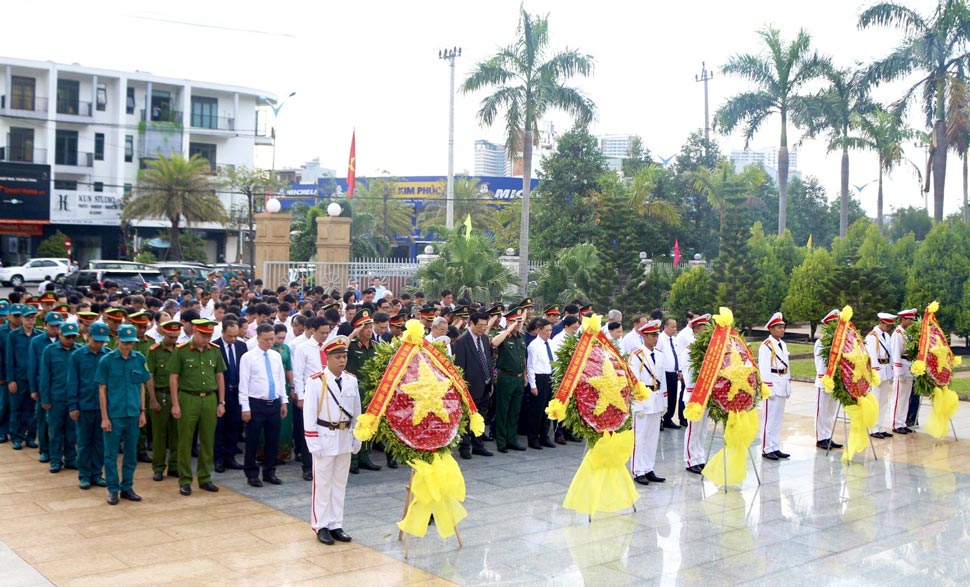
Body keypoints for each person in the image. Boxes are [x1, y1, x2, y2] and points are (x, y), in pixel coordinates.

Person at [303, 336, 360, 545]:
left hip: (344, 436)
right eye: (338, 357)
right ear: (327, 358)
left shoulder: (351, 380)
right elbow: (309, 414)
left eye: (344, 357)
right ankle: (321, 525)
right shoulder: (316, 381)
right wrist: (313, 441)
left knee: (339, 484)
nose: (342, 361)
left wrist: (357, 436)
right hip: (325, 436)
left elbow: (356, 411)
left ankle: (336, 523)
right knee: (323, 484)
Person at [95, 324, 152, 505]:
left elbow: (141, 385)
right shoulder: (107, 360)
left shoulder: (139, 358)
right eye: (125, 342)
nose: (128, 346)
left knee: (131, 453)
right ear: (117, 339)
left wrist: (142, 412)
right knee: (111, 455)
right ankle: (113, 489)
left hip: (133, 413)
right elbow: (102, 390)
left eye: (131, 343)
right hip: (114, 414)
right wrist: (104, 417)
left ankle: (127, 486)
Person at [170, 319, 227, 496]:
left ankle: (204, 477)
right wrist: (175, 404)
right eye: (203, 335)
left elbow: (219, 376)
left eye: (209, 335)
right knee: (185, 441)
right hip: (188, 398)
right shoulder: (182, 350)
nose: (206, 338)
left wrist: (221, 402)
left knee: (208, 440)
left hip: (209, 398)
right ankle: (185, 479)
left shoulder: (214, 351)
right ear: (195, 331)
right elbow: (174, 378)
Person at [239, 323, 288, 487]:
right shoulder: (248, 357)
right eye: (266, 339)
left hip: (273, 403)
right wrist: (245, 407)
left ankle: (269, 471)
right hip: (256, 403)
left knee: (272, 440)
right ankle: (252, 473)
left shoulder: (275, 356)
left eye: (271, 339)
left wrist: (284, 401)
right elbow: (244, 384)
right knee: (252, 440)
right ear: (258, 337)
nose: (269, 342)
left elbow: (281, 380)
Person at [67, 322, 110, 490]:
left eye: (102, 341)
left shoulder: (107, 355)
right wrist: (73, 405)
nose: (99, 344)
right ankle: (84, 475)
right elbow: (72, 382)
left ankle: (96, 473)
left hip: (103, 408)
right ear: (88, 336)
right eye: (96, 340)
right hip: (84, 405)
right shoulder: (77, 356)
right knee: (84, 442)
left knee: (100, 443)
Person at [40, 321, 82, 472]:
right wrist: (45, 399)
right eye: (68, 337)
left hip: (73, 399)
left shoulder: (79, 351)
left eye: (73, 337)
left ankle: (70, 458)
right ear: (60, 335)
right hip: (56, 397)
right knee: (55, 430)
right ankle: (56, 460)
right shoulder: (50, 351)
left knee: (72, 431)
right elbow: (45, 376)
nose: (71, 340)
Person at [629, 319, 666, 485]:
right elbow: (633, 380)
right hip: (643, 399)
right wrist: (637, 405)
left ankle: (648, 468)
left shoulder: (659, 354)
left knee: (653, 437)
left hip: (656, 398)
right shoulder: (636, 355)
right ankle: (638, 470)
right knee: (640, 437)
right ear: (644, 335)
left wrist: (664, 401)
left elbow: (662, 378)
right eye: (652, 335)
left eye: (656, 335)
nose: (655, 338)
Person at [453, 311, 494, 459]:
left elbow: (487, 359)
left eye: (485, 325)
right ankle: (464, 447)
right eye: (480, 326)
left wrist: (491, 382)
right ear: (471, 323)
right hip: (470, 387)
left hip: (485, 385)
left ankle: (478, 445)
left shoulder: (484, 338)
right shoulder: (462, 341)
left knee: (481, 416)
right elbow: (459, 367)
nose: (483, 328)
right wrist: (463, 388)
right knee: (467, 417)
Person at [146, 320, 183, 481]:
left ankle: (174, 466)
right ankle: (159, 467)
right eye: (170, 336)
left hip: (178, 396)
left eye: (176, 336)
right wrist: (153, 399)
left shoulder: (181, 350)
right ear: (163, 333)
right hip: (160, 395)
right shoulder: (154, 351)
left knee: (177, 434)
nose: (173, 339)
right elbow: (150, 377)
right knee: (159, 435)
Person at [345, 310, 380, 473]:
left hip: (370, 393)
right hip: (354, 392)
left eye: (370, 327)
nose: (369, 330)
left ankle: (365, 455)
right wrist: (353, 334)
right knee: (355, 424)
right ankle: (353, 458)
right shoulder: (351, 346)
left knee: (369, 423)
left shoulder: (375, 347)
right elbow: (339, 349)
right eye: (365, 327)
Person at [491, 307, 527, 453]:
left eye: (519, 321)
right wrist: (509, 328)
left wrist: (525, 375)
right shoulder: (503, 336)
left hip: (518, 378)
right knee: (503, 410)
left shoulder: (521, 337)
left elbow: (523, 358)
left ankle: (512, 439)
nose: (518, 324)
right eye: (515, 321)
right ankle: (501, 441)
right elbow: (494, 343)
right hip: (506, 377)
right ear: (508, 321)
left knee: (515, 411)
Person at [30, 311, 63, 463]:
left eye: (58, 326)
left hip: (60, 387)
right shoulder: (37, 342)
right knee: (43, 419)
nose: (55, 329)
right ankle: (44, 450)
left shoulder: (64, 340)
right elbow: (33, 367)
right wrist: (34, 389)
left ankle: (61, 452)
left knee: (60, 423)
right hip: (43, 386)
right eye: (52, 326)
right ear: (45, 325)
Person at [7, 304, 41, 450]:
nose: (30, 320)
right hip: (19, 379)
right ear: (21, 318)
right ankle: (16, 437)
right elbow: (9, 359)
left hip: (34, 380)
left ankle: (30, 437)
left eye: (32, 318)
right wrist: (11, 379)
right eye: (27, 317)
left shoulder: (39, 336)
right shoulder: (13, 336)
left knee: (32, 410)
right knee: (17, 409)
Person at [214, 319, 247, 472]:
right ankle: (219, 458)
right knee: (219, 426)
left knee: (234, 425)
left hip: (236, 392)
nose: (233, 339)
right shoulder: (214, 346)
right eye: (229, 336)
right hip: (219, 393)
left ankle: (230, 456)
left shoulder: (241, 345)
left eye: (235, 336)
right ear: (222, 332)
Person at [759, 312, 791, 461]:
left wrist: (788, 383)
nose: (782, 330)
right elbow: (764, 368)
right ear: (771, 329)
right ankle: (766, 448)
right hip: (772, 384)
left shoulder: (782, 344)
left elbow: (786, 365)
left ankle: (775, 446)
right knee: (769, 418)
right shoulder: (766, 346)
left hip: (782, 383)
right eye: (779, 327)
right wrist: (767, 387)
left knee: (778, 418)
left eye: (783, 327)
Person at [682, 313, 711, 474]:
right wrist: (696, 392)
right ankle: (690, 460)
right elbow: (688, 373)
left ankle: (699, 457)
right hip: (695, 395)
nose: (706, 330)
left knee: (703, 429)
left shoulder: (709, 348)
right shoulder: (690, 349)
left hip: (705, 394)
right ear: (696, 330)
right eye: (703, 328)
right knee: (693, 429)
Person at [525, 318, 556, 450]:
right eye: (546, 330)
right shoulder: (533, 346)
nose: (549, 333)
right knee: (536, 411)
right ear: (538, 330)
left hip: (550, 377)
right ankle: (533, 438)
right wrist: (533, 385)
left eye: (550, 330)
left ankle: (544, 436)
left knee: (548, 410)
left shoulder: (551, 343)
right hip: (539, 378)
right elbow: (530, 366)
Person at [814, 310, 843, 450]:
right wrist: (825, 378)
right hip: (824, 380)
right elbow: (820, 364)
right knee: (822, 410)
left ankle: (828, 435)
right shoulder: (822, 342)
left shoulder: (839, 342)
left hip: (835, 381)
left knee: (831, 411)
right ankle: (820, 438)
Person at [868, 312, 898, 438]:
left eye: (890, 326)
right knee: (875, 400)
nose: (888, 328)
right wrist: (875, 373)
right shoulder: (872, 336)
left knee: (884, 401)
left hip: (886, 369)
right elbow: (872, 356)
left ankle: (880, 426)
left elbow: (890, 354)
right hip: (878, 370)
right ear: (881, 322)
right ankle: (873, 428)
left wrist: (891, 370)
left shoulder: (886, 335)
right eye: (887, 325)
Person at [892, 308, 919, 433]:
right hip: (902, 365)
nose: (912, 322)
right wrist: (899, 372)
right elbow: (896, 353)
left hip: (909, 366)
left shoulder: (909, 333)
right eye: (910, 320)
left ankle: (902, 422)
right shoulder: (897, 333)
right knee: (898, 397)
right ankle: (896, 424)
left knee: (906, 397)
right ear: (903, 319)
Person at [659, 317, 683, 430]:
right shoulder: (660, 339)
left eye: (675, 327)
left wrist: (679, 370)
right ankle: (660, 419)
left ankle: (668, 418)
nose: (674, 329)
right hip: (664, 373)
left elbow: (677, 355)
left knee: (673, 397)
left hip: (673, 372)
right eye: (672, 327)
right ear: (665, 326)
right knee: (663, 397)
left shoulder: (674, 339)